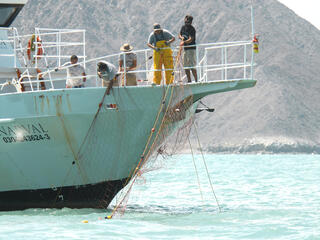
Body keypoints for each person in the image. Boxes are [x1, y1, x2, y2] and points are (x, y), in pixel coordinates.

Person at [179, 15, 197, 83]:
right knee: (186, 66)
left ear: (191, 22)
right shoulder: (183, 27)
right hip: (185, 49)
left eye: (188, 22)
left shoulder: (192, 29)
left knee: (192, 65)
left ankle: (196, 80)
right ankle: (189, 80)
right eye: (185, 22)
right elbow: (179, 35)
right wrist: (181, 38)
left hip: (191, 49)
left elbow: (190, 39)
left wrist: (184, 42)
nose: (186, 23)